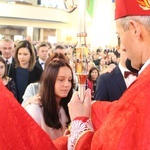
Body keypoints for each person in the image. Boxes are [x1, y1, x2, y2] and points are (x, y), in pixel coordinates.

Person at [66, 0, 150, 149]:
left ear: (134, 29)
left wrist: (80, 121)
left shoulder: (143, 87)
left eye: (119, 34)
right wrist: (93, 107)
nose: (122, 46)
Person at [23, 60, 74, 140]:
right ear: (49, 80)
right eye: (61, 80)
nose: (67, 84)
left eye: (69, 80)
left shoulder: (68, 106)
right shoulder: (34, 109)